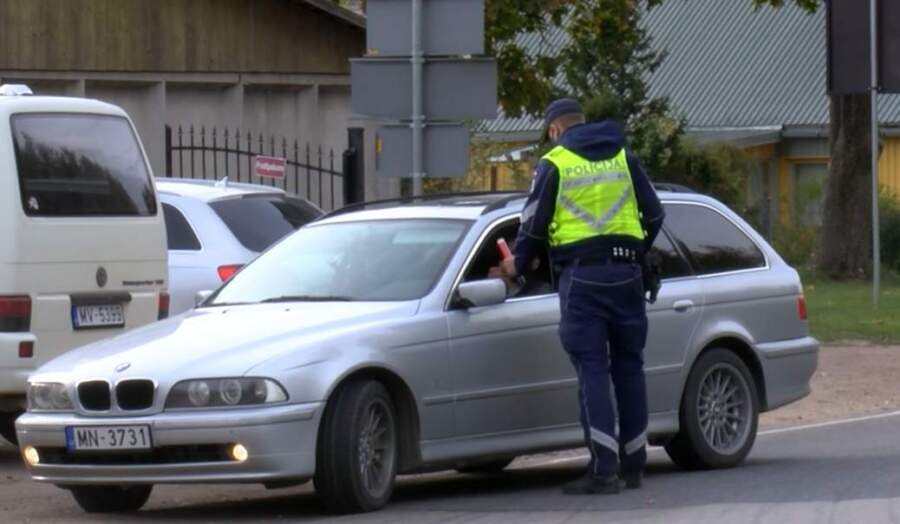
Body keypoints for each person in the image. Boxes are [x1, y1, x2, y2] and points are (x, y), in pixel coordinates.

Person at [495, 98, 664, 495]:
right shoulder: (623, 155)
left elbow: (534, 227)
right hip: (628, 277)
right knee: (629, 367)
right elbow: (655, 216)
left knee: (592, 370)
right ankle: (634, 463)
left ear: (555, 129)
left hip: (584, 280)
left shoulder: (555, 162)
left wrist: (516, 265)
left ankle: (605, 470)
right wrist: (634, 251)